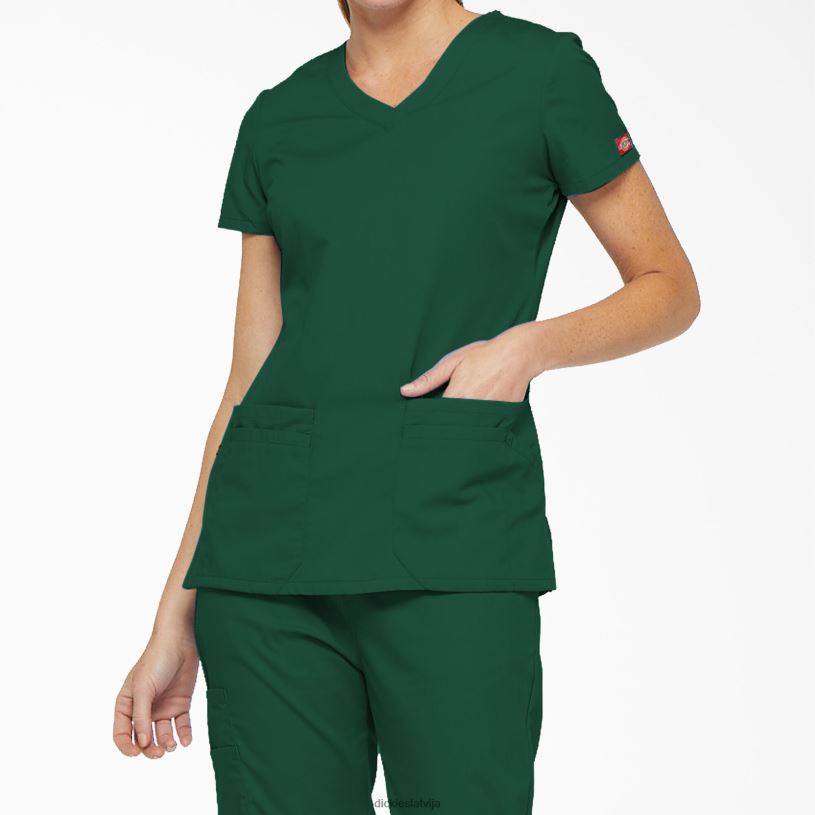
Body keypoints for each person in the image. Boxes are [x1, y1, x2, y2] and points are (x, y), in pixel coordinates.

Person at [113, 2, 700, 813]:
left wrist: (524, 349)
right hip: (265, 574)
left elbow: (668, 286)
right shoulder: (279, 118)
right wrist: (174, 613)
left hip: (451, 546)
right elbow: (248, 384)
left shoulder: (538, 74)